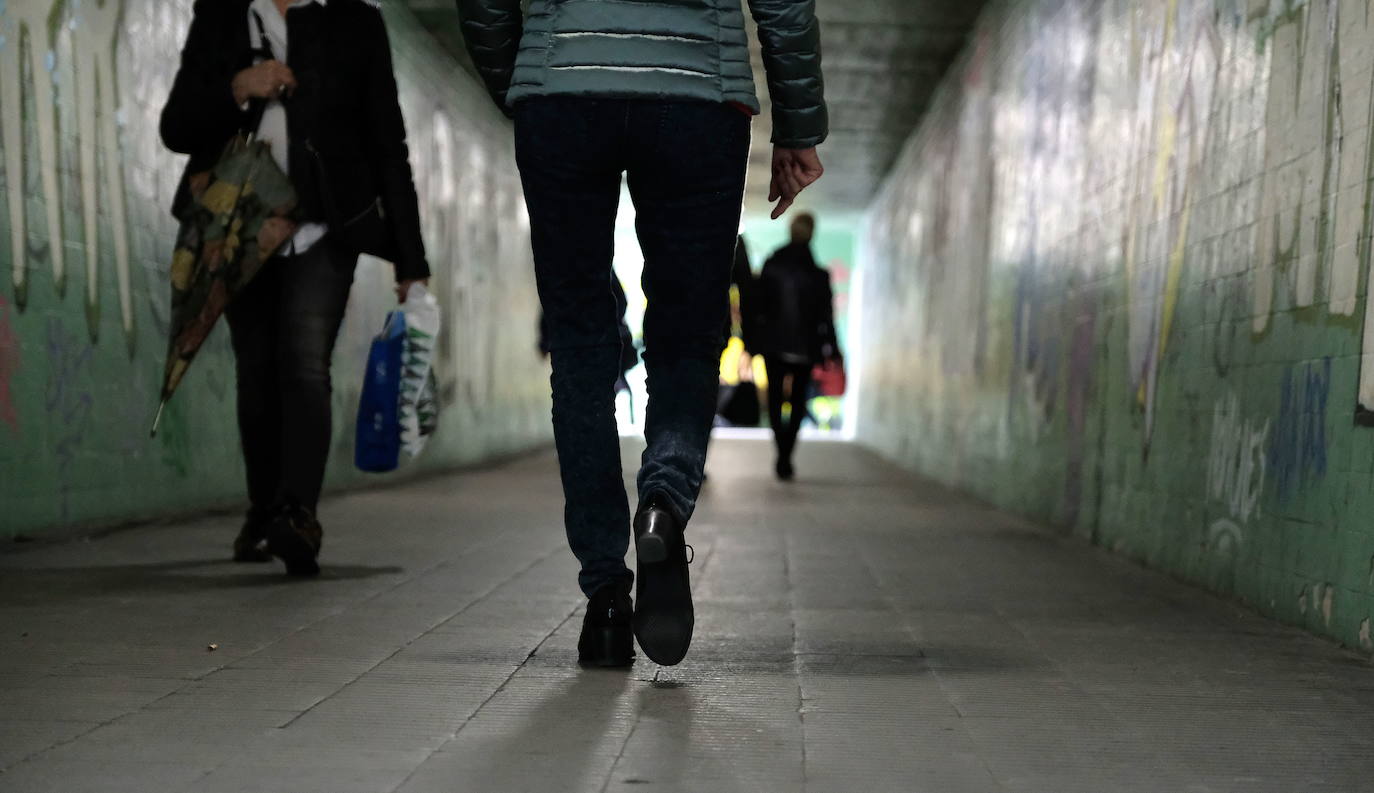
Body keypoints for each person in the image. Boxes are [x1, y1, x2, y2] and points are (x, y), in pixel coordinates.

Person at [457, 0, 827, 667]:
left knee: (579, 341)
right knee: (686, 336)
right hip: (697, 95)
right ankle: (662, 499)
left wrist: (523, 75)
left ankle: (604, 597)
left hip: (562, 90)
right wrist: (798, 123)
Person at [161, 0, 430, 576]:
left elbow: (388, 141)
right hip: (240, 232)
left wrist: (411, 258)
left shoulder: (355, 21)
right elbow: (175, 126)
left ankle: (297, 515)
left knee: (305, 364)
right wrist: (238, 86)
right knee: (256, 368)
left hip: (324, 227)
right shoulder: (223, 15)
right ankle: (263, 509)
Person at [748, 213, 840, 481]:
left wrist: (752, 343)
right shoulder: (817, 274)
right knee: (798, 402)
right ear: (812, 234)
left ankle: (782, 453)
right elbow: (826, 316)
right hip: (805, 347)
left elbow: (757, 308)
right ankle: (787, 455)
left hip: (773, 345)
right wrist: (831, 349)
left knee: (776, 400)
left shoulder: (772, 264)